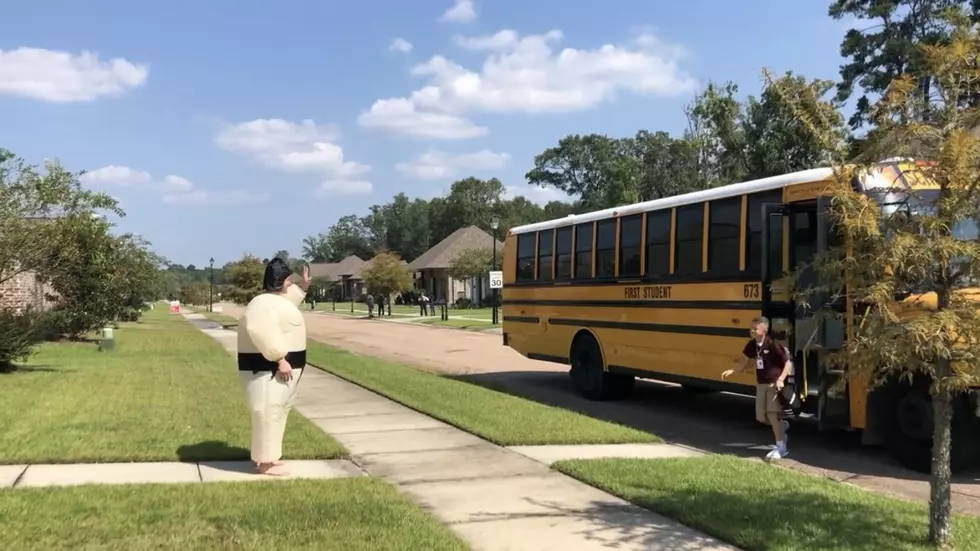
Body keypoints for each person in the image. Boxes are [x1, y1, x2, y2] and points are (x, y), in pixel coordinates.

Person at [236, 258, 311, 476]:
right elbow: (262, 331)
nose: (290, 284)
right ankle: (265, 463)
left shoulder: (275, 302)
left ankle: (270, 456)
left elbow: (286, 305)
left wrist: (304, 287)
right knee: (268, 412)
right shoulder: (261, 304)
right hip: (266, 371)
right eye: (288, 280)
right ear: (281, 281)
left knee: (277, 413)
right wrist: (279, 358)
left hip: (281, 372)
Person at [722, 316, 793, 461]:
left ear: (764, 330)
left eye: (755, 328)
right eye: (751, 328)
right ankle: (781, 427)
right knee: (761, 417)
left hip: (774, 384)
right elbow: (744, 361)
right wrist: (733, 370)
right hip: (761, 384)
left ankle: (781, 447)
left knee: (773, 415)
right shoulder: (752, 345)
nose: (752, 331)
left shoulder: (773, 344)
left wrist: (780, 379)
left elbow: (788, 364)